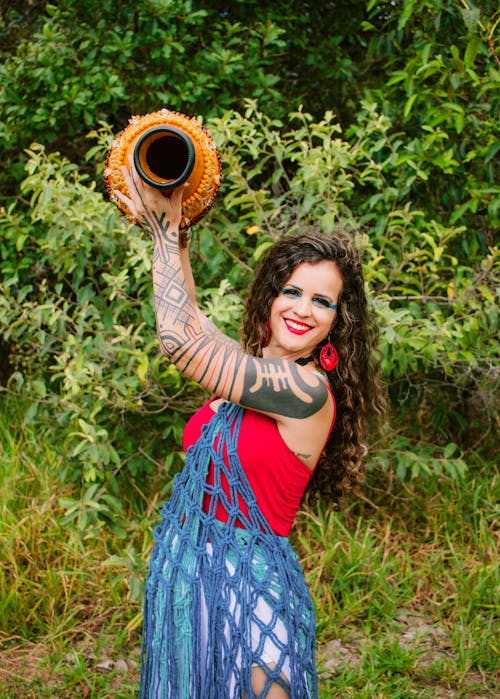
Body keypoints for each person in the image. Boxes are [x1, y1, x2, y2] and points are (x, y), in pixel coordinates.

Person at [114, 161, 383, 699]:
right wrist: (180, 229)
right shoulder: (245, 372)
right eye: (293, 291)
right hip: (191, 582)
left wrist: (163, 227)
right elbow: (188, 318)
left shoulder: (305, 392)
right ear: (270, 295)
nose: (304, 309)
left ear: (337, 322)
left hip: (251, 589)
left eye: (323, 301)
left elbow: (179, 342)